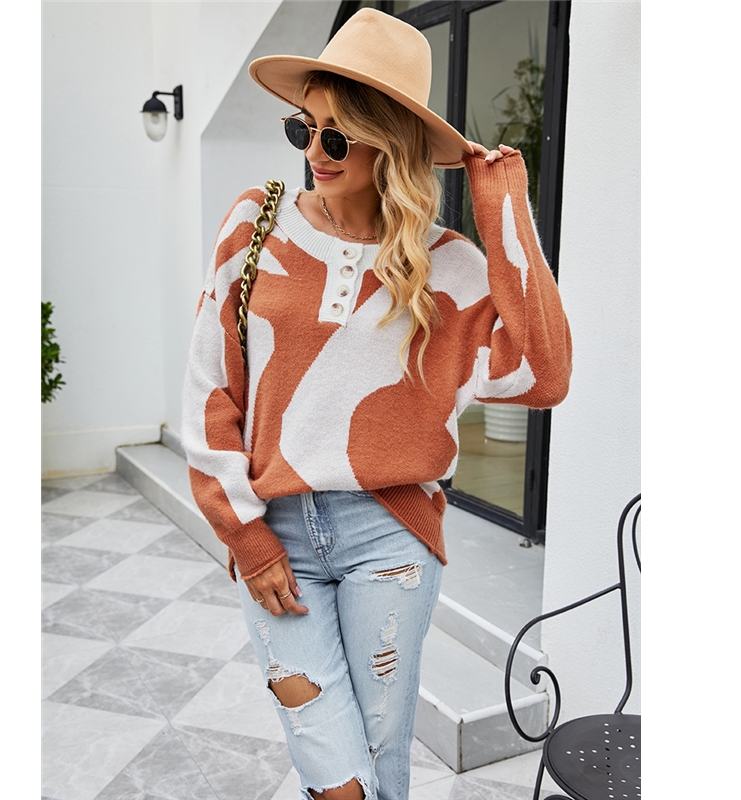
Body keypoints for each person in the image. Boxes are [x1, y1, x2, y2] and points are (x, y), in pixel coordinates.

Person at [181, 8, 571, 800]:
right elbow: (210, 389)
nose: (313, 154)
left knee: (381, 754)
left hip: (390, 534)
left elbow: (544, 373)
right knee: (335, 770)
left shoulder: (447, 266)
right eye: (304, 128)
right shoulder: (256, 225)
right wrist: (245, 534)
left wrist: (502, 208)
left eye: (336, 137)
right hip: (275, 526)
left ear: (388, 141)